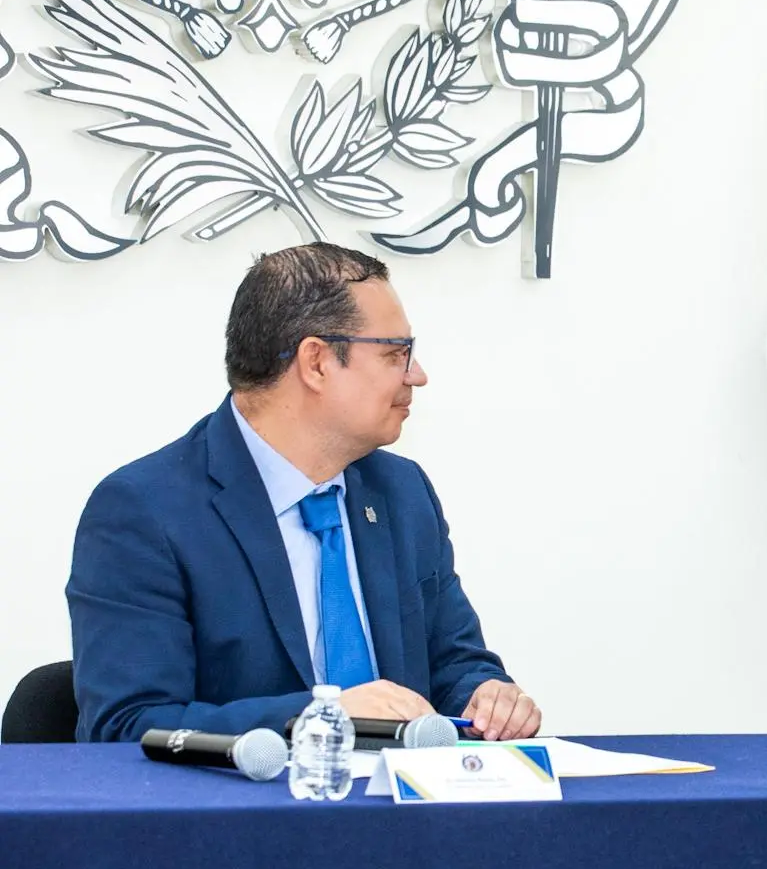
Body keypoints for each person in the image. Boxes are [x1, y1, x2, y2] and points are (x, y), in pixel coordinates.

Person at [69, 244, 540, 743]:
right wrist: (322, 715)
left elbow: (454, 663)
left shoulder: (402, 492)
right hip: (245, 814)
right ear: (315, 362)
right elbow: (125, 727)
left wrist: (488, 695)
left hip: (405, 811)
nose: (416, 375)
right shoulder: (144, 512)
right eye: (395, 354)